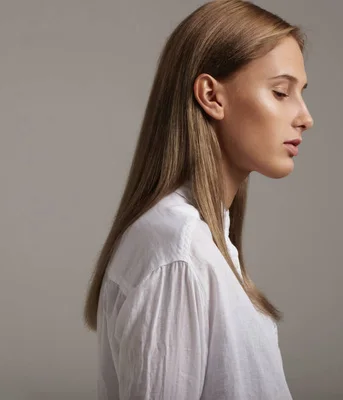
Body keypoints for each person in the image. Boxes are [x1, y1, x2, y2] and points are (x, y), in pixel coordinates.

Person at [82, 0, 314, 398]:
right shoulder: (179, 249)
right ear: (211, 96)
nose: (305, 117)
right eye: (280, 92)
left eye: (301, 94)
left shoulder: (201, 239)